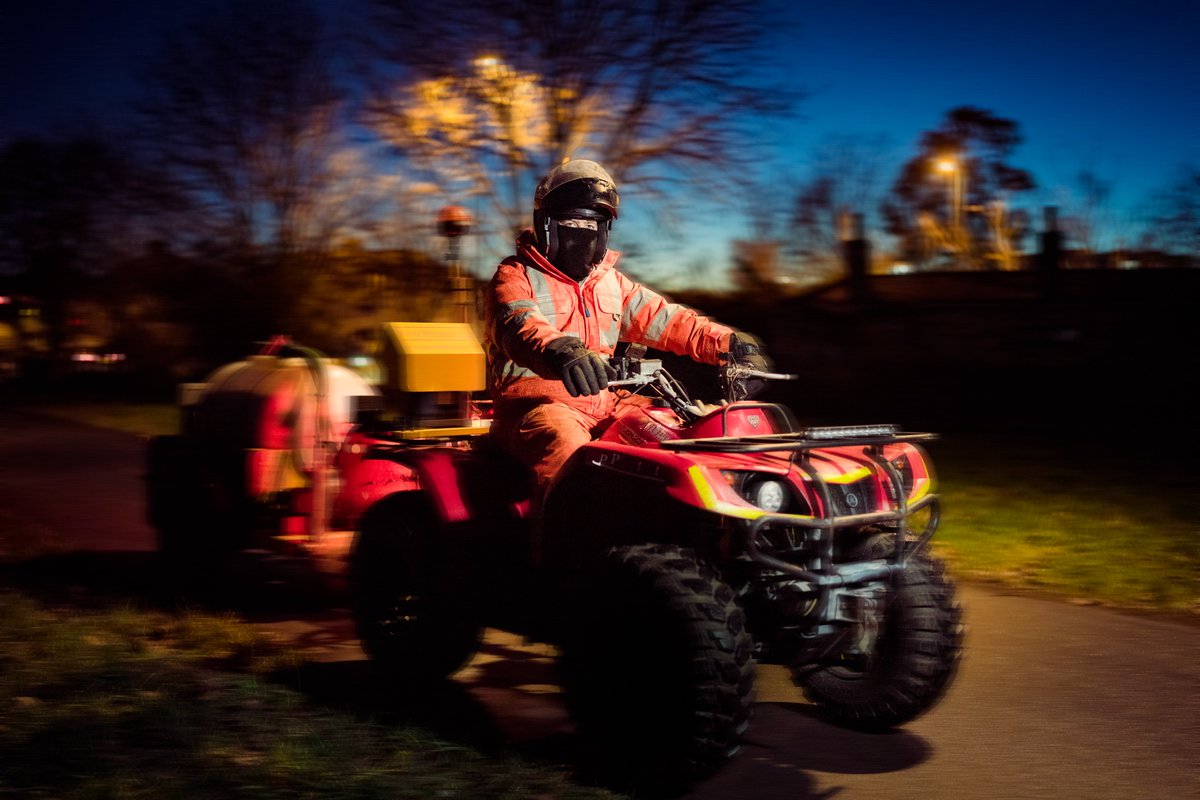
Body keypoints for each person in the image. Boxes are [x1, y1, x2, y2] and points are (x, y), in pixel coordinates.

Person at [483, 159, 769, 503]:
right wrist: (562, 352)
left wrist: (730, 344)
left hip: (608, 400)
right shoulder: (515, 276)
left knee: (673, 432)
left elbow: (668, 320)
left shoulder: (612, 284)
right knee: (566, 453)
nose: (583, 233)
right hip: (536, 405)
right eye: (572, 222)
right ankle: (566, 553)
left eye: (595, 224)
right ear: (546, 224)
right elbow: (519, 324)